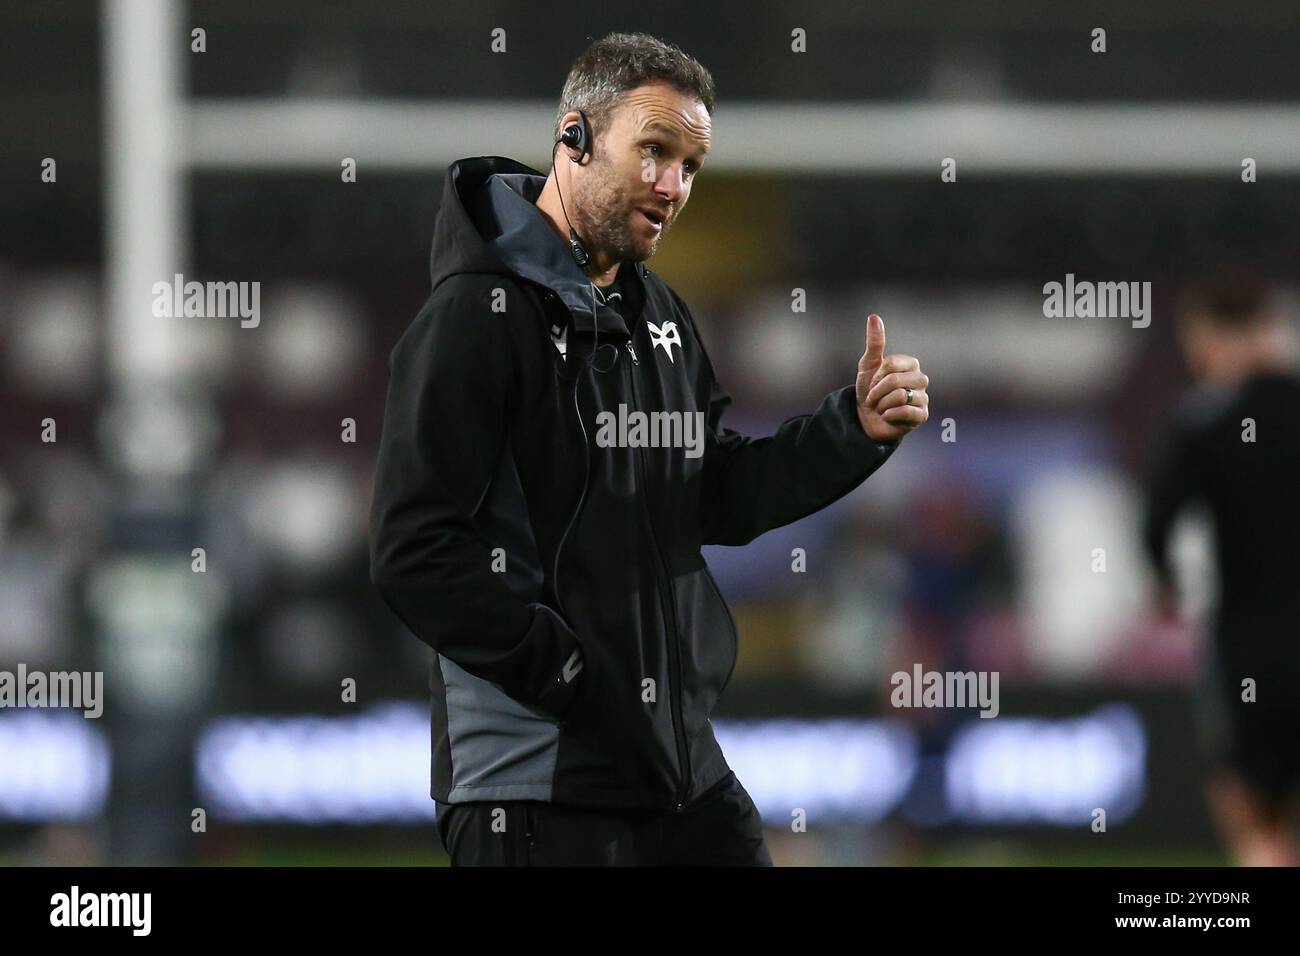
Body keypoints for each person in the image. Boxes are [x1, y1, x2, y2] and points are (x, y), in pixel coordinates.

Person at [369, 32, 929, 866]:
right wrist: (569, 674)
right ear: (575, 138)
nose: (675, 186)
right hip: (537, 783)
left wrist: (852, 431)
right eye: (655, 151)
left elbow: (712, 494)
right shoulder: (473, 319)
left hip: (677, 767)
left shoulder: (657, 312)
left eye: (691, 166)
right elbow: (413, 551)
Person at [1142, 277, 1300, 866]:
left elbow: (1156, 526)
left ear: (1210, 336)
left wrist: (1168, 587)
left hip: (1248, 645)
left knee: (1254, 812)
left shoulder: (1205, 423)